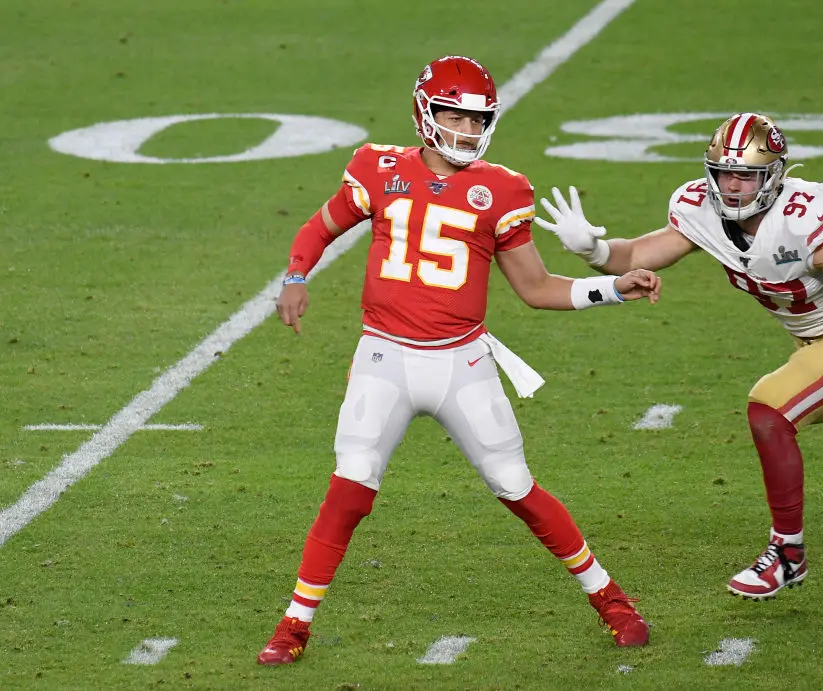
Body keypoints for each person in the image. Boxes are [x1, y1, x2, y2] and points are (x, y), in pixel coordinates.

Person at [256, 56, 658, 666]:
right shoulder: (378, 169)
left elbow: (536, 287)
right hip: (384, 357)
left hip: (461, 362)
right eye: (455, 116)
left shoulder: (502, 189)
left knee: (515, 485)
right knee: (350, 485)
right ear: (425, 112)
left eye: (477, 120)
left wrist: (612, 287)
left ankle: (613, 601)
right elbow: (321, 225)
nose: (468, 131)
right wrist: (294, 273)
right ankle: (293, 626)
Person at [535, 112, 823, 600]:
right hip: (812, 339)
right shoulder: (700, 211)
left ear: (773, 176)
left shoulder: (799, 219)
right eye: (723, 173)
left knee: (769, 410)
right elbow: (640, 253)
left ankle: (787, 554)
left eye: (746, 175)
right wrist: (595, 249)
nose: (732, 186)